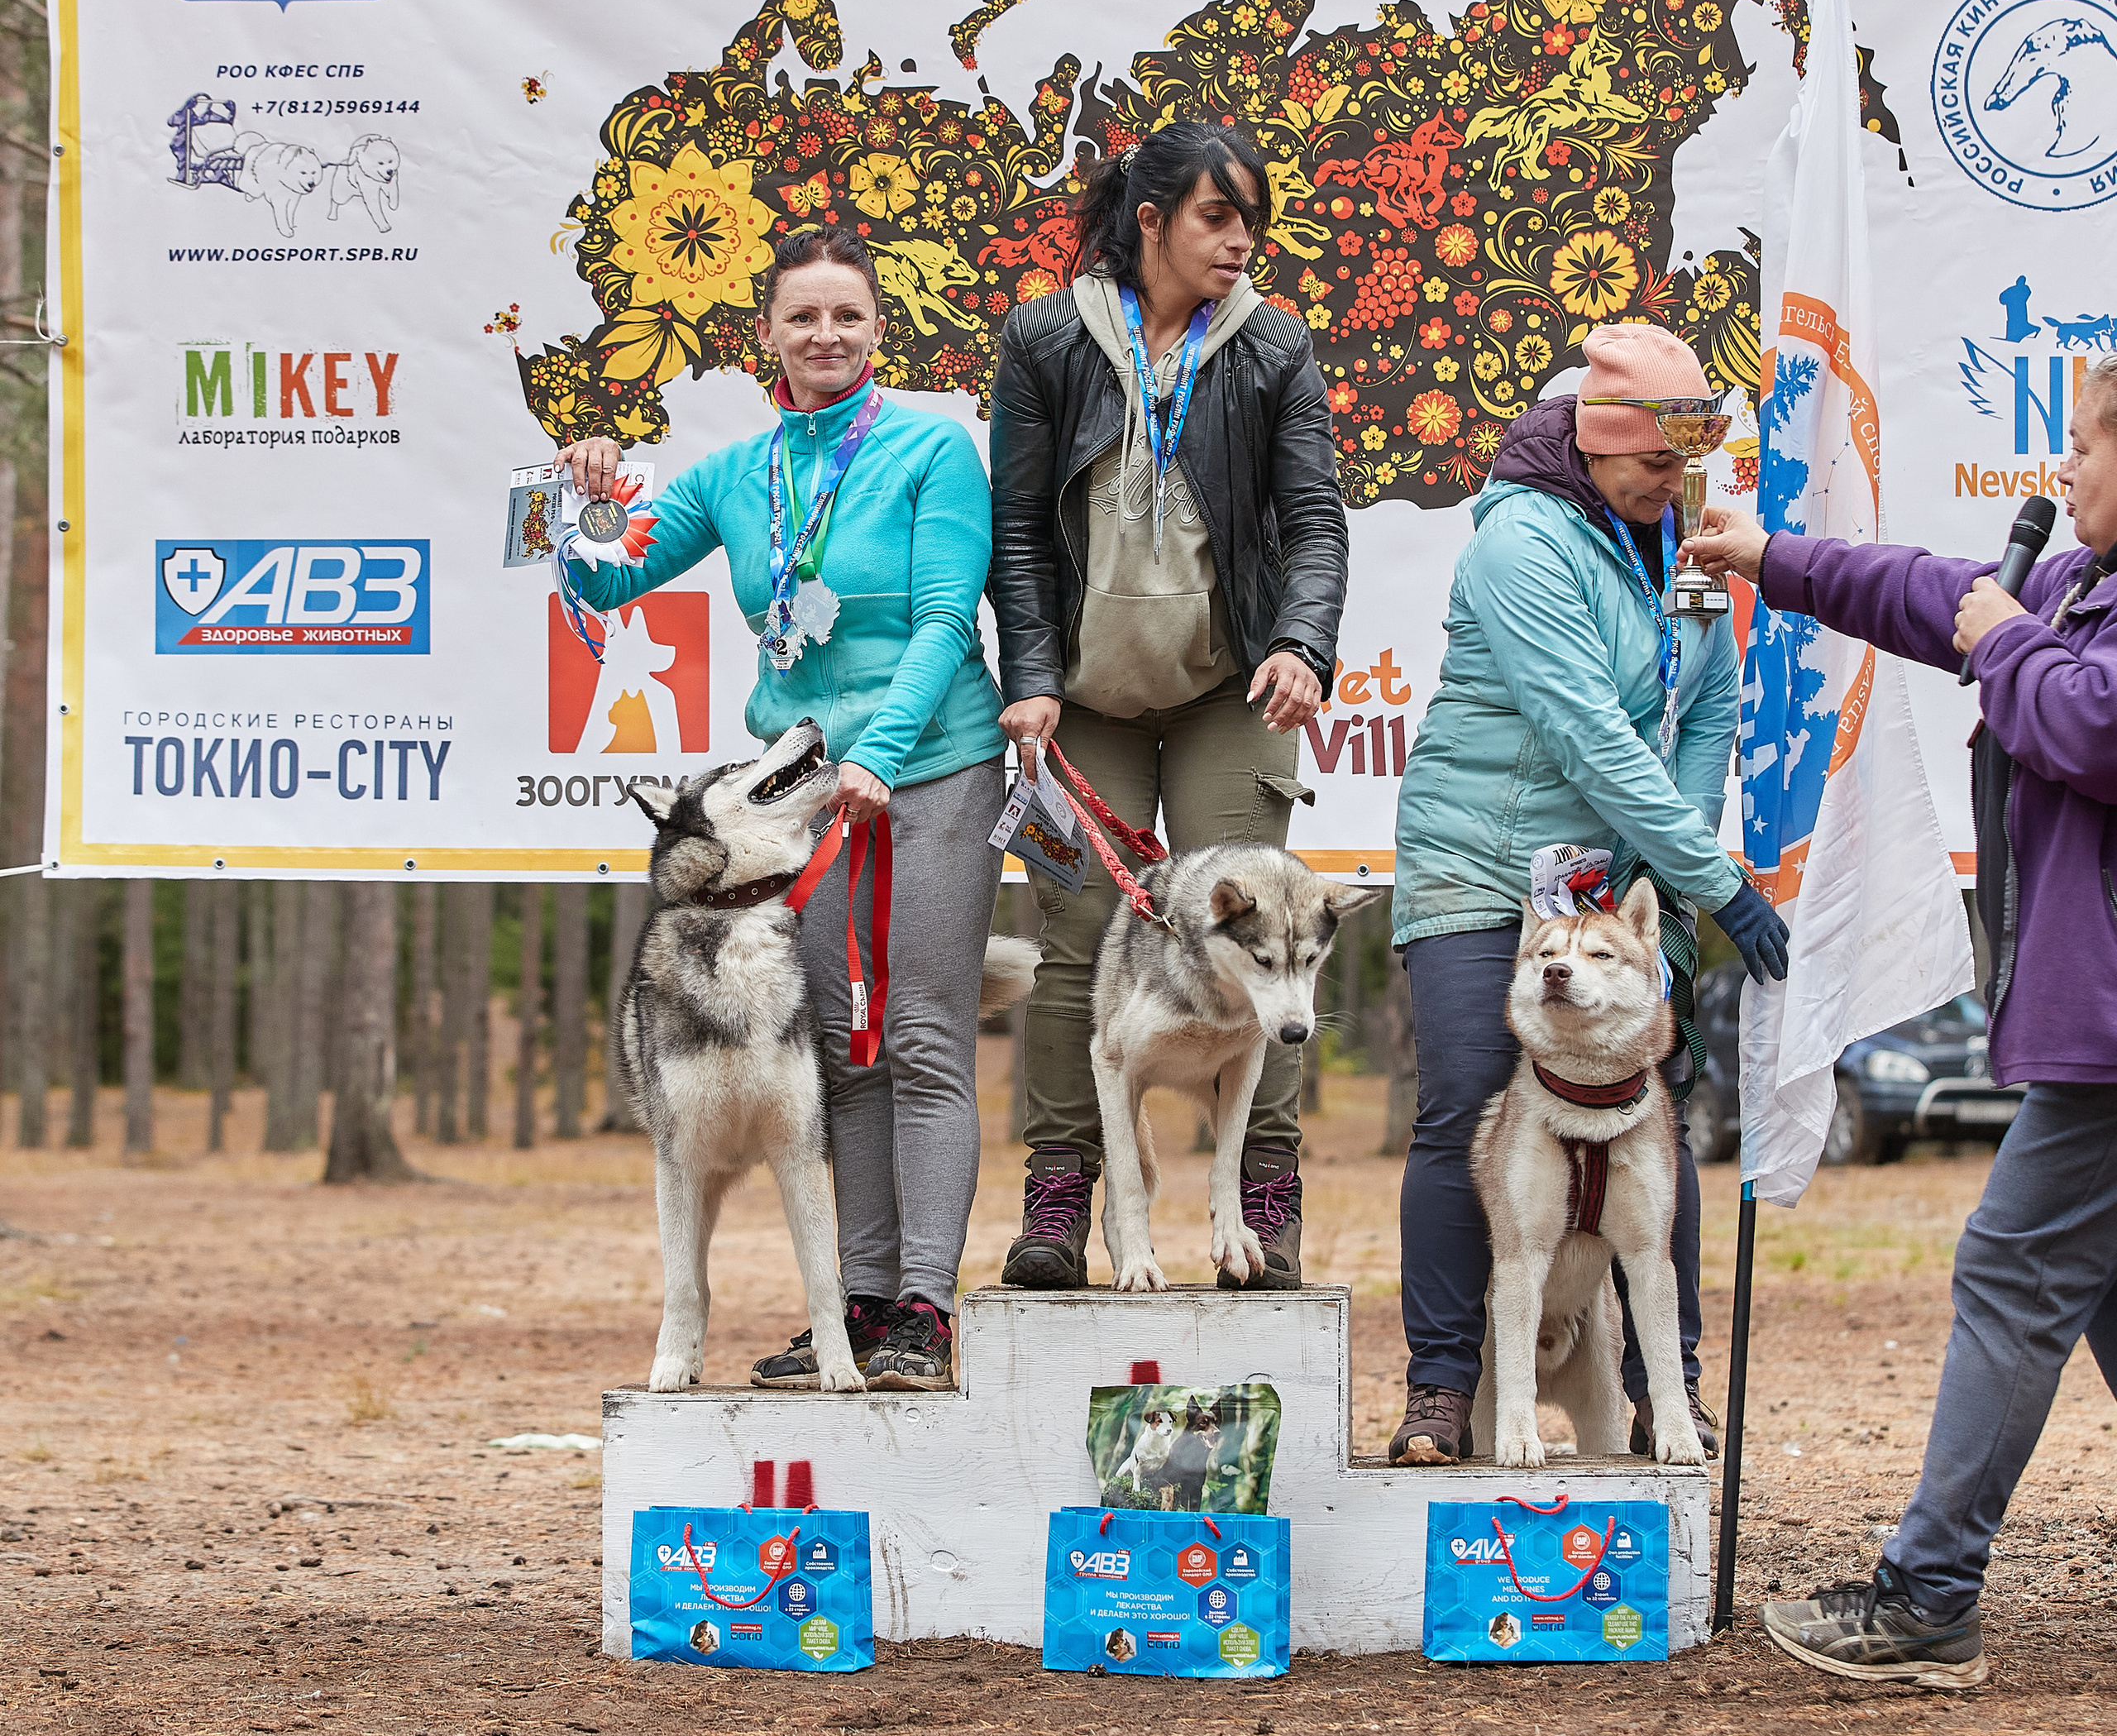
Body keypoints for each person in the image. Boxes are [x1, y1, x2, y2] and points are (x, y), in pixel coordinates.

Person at [1683, 350, 2117, 1690]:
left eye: (2087, 446)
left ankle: (1927, 1598)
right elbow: (1935, 595)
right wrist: (1773, 558)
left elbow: (2093, 730)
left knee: (2011, 1271)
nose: (2063, 470)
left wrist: (2006, 639)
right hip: (2096, 1024)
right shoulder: (2080, 585)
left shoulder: (2061, 619)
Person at [556, 226, 1005, 1392]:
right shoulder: (733, 476)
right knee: (840, 1053)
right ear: (768, 333)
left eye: (847, 315)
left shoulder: (931, 449)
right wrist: (579, 499)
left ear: (877, 329)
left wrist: (881, 756)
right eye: (802, 316)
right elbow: (608, 578)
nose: (825, 334)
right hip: (809, 794)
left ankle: (925, 1311)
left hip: (934, 764)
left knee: (921, 1038)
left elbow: (946, 622)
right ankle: (855, 1306)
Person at [1387, 324, 1790, 1467]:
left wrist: (1663, 881)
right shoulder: (1520, 541)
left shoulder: (1682, 542)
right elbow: (1591, 736)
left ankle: (1670, 1392)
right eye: (1656, 463)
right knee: (1467, 1101)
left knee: (1651, 1107)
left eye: (1687, 464)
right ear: (1598, 443)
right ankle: (1441, 1388)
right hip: (1480, 862)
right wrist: (1718, 881)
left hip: (1613, 880)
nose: (1675, 484)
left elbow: (1707, 714)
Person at [987, 120, 1349, 1290]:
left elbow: (1316, 522)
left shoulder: (1274, 343)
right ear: (1151, 220)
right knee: (1077, 937)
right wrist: (1031, 675)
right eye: (1216, 217)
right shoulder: (1047, 338)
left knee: (1269, 933)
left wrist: (1301, 644)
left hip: (1226, 684)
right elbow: (1017, 528)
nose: (1242, 242)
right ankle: (1060, 1194)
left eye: (1253, 221)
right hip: (1083, 693)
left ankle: (1265, 1200)